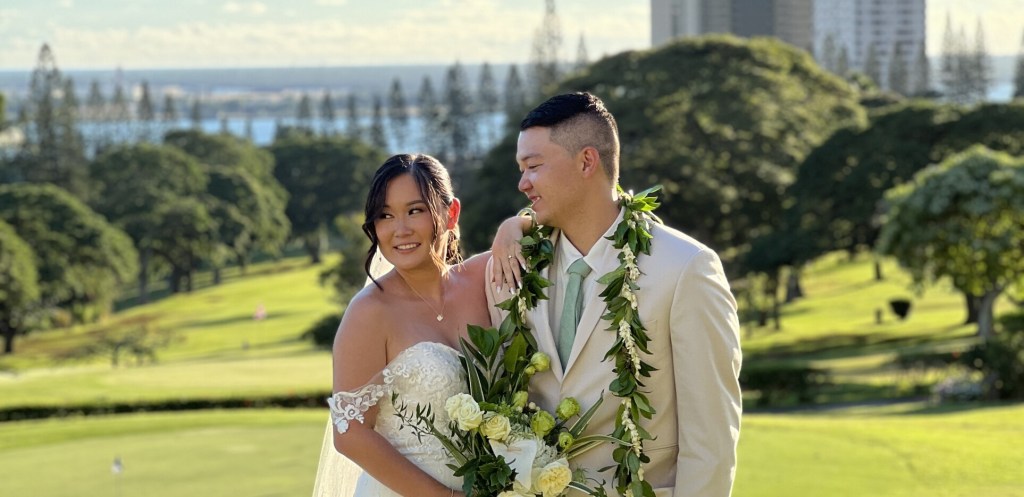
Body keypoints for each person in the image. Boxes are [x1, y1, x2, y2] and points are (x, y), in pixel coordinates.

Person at [485, 92, 743, 496]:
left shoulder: (685, 268)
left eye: (533, 166)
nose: (522, 183)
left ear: (587, 161)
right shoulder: (514, 261)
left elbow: (711, 441)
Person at [314, 153, 525, 497]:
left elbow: (548, 229)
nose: (400, 230)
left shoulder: (481, 277)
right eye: (386, 216)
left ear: (451, 213)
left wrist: (513, 226)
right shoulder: (369, 312)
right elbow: (350, 433)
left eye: (415, 210)